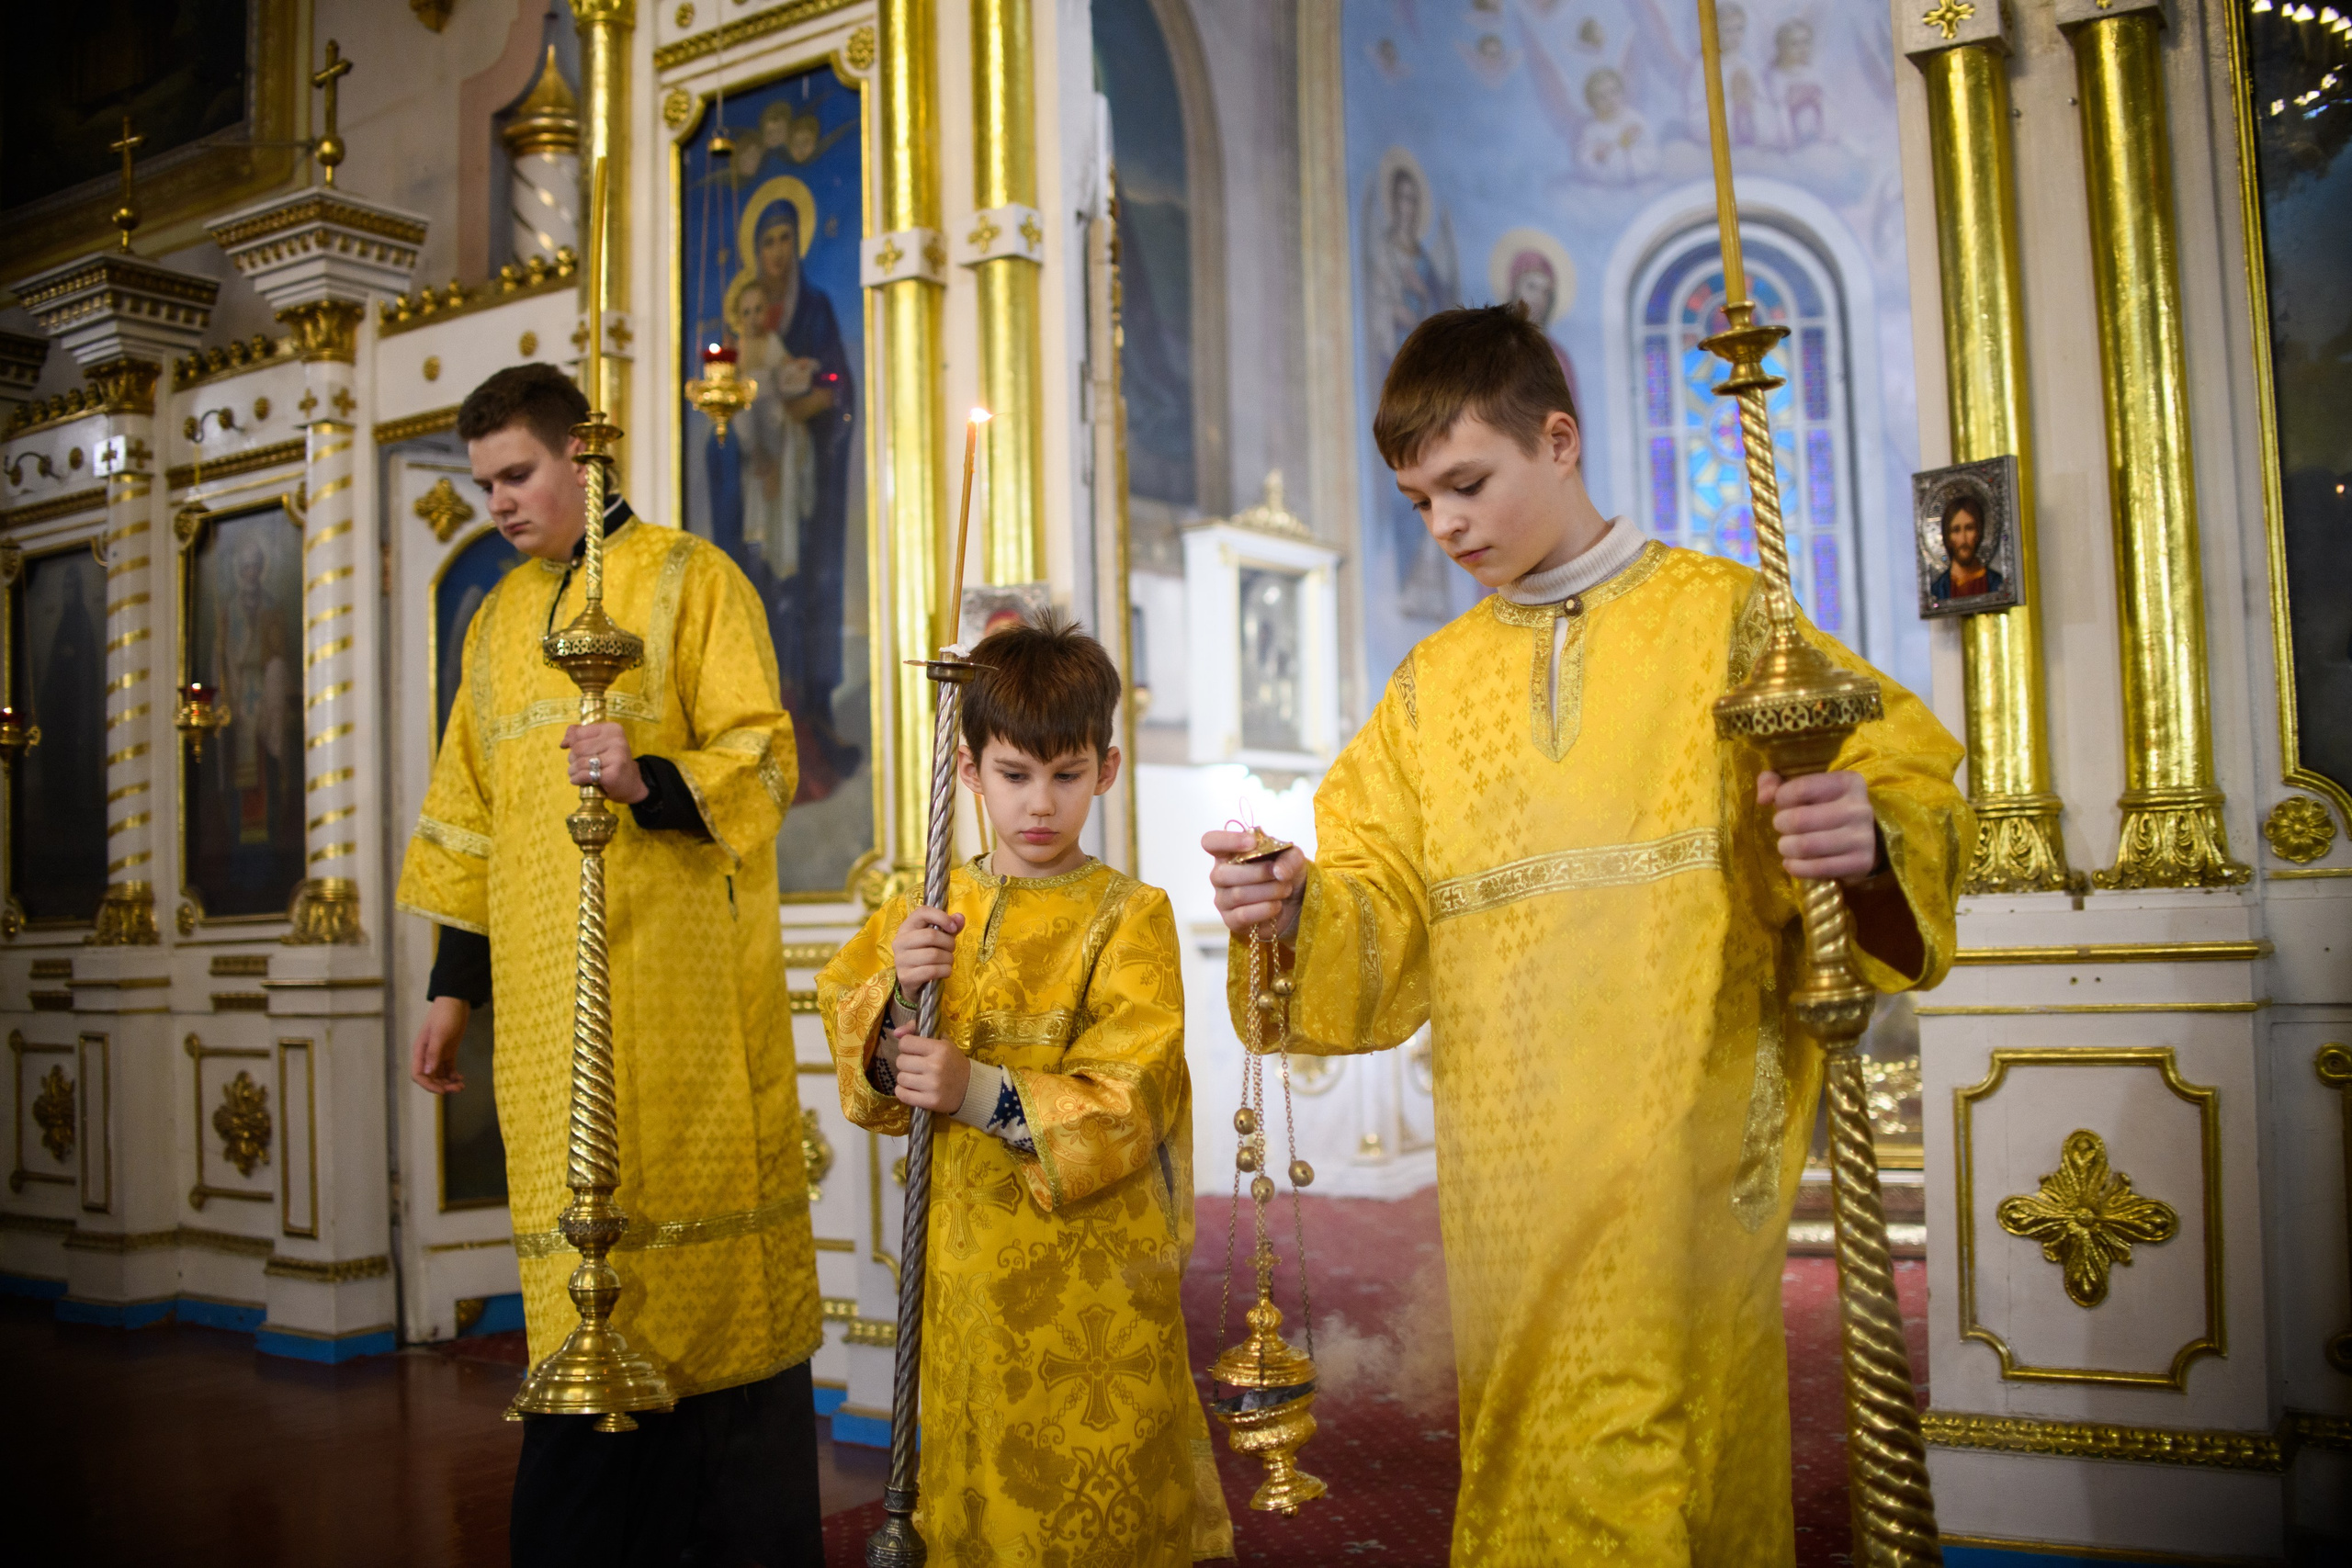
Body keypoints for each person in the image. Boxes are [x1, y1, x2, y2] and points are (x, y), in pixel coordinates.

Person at [1203, 306, 1970, 1562]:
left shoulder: (1727, 623)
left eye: (1467, 482)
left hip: (1688, 1132)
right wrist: (1293, 901)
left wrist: (1863, 830)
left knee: (1652, 1437)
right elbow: (1376, 893)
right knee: (1525, 1435)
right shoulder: (1428, 688)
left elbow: (1902, 781)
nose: (1446, 523)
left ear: (1557, 440)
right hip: (1510, 1168)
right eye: (1417, 501)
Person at [395, 363, 823, 1568]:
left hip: (679, 997)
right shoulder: (493, 623)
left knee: (701, 1302)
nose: (499, 503)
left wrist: (646, 776)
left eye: (517, 473)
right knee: (578, 1297)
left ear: (585, 452)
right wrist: (449, 987)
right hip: (544, 1016)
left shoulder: (690, 581)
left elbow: (765, 760)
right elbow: (468, 812)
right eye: (483, 483)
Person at [818, 615, 1233, 1566]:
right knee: (974, 1486)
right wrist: (894, 987)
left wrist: (974, 1092)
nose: (1039, 803)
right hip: (967, 1264)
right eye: (1013, 775)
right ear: (967, 772)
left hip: (1092, 1269)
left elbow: (1132, 1095)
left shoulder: (1132, 915)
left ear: (1107, 769)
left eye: (1066, 774)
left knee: (1095, 1502)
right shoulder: (922, 907)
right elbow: (856, 1036)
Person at [1930, 492, 2004, 603]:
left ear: (1978, 532)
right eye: (1956, 530)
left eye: (1969, 528)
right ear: (1947, 537)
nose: (1963, 539)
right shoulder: (1938, 590)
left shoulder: (1996, 584)